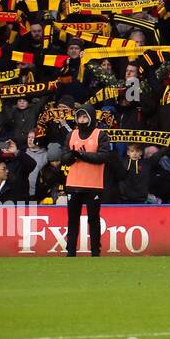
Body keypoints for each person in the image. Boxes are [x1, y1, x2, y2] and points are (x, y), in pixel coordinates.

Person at [62, 105, 114, 257]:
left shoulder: (100, 135)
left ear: (91, 117)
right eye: (80, 117)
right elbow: (64, 158)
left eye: (85, 117)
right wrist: (73, 156)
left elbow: (103, 157)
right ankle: (70, 252)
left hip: (93, 184)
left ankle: (95, 252)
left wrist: (82, 155)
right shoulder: (71, 134)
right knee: (72, 220)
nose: (82, 120)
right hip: (73, 184)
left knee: (94, 220)